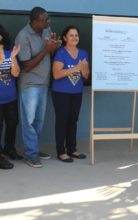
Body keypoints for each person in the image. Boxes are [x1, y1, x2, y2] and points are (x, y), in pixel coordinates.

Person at [15, 7, 62, 168]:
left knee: (38, 121)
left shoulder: (47, 30)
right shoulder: (23, 36)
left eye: (48, 18)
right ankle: (30, 154)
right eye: (45, 19)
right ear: (35, 22)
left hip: (44, 82)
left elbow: (49, 56)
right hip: (29, 84)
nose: (49, 22)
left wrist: (52, 49)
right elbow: (26, 66)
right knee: (29, 121)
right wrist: (47, 49)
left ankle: (33, 149)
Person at [52, 26, 90, 162]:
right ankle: (61, 151)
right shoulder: (61, 53)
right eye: (71, 35)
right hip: (61, 92)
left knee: (73, 121)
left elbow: (85, 75)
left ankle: (72, 149)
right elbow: (56, 74)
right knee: (62, 122)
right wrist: (75, 68)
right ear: (64, 38)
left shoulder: (83, 53)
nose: (75, 38)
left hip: (77, 92)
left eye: (76, 35)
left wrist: (83, 67)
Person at [0, 24, 22, 169]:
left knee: (12, 123)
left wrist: (13, 58)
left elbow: (15, 74)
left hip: (10, 97)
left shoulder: (10, 52)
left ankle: (9, 149)